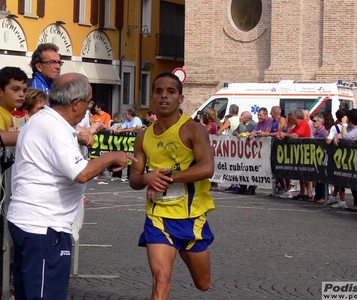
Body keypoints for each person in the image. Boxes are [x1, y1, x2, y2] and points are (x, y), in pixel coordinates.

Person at [7, 73, 136, 300]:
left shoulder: (42, 120)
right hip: (44, 227)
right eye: (88, 103)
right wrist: (112, 156)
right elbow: (81, 173)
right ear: (76, 103)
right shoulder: (55, 128)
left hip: (30, 221)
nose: (88, 109)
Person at [129, 72, 215, 299]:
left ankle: (186, 248)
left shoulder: (194, 130)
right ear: (152, 97)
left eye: (171, 91)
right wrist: (147, 178)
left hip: (191, 217)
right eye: (158, 91)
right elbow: (134, 179)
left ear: (181, 98)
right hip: (157, 218)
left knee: (203, 283)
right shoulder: (143, 136)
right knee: (161, 280)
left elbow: (207, 168)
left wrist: (167, 178)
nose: (164, 96)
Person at [333, 108, 357, 211]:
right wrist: (337, 136)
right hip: (351, 160)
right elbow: (342, 135)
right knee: (353, 182)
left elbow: (346, 137)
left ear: (350, 120)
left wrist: (343, 125)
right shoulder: (352, 128)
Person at [278, 109, 312, 201]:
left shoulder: (304, 124)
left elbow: (296, 135)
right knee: (300, 173)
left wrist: (286, 135)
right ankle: (301, 192)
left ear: (295, 117)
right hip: (298, 152)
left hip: (304, 151)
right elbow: (290, 133)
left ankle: (309, 193)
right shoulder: (296, 125)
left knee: (306, 173)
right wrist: (284, 135)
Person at [326, 108, 348, 208]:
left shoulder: (336, 128)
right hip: (348, 155)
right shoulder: (350, 127)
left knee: (339, 178)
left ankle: (342, 201)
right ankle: (334, 196)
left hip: (338, 155)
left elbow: (328, 141)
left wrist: (329, 135)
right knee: (338, 178)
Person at [0, 67, 28, 131]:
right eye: (16, 89)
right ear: (1, 92)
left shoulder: (16, 115)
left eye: (24, 90)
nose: (21, 94)